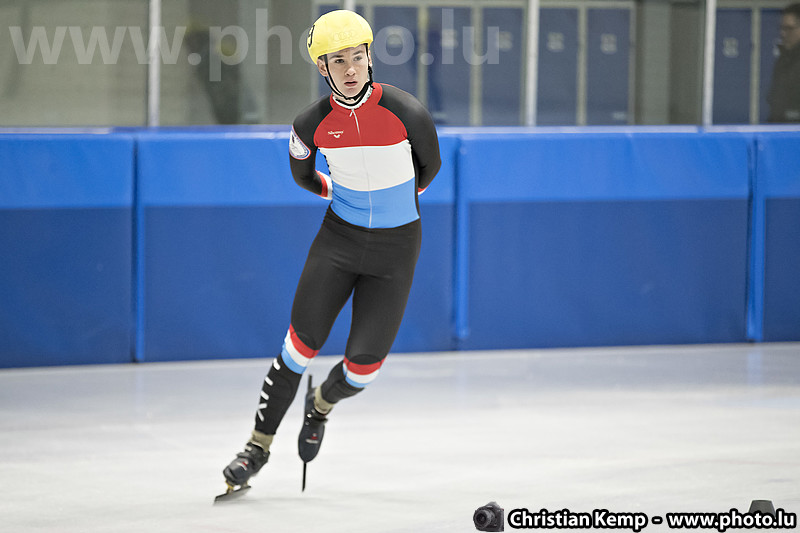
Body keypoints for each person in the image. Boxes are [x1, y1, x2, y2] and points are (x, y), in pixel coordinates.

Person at [219, 9, 441, 495]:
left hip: (396, 249)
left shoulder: (408, 112)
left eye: (357, 57)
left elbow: (430, 169)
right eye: (338, 60)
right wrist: (342, 196)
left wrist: (391, 206)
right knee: (298, 347)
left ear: (370, 57)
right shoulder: (310, 123)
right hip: (339, 240)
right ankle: (256, 448)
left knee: (363, 369)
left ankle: (320, 404)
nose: (350, 68)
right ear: (322, 67)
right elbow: (303, 176)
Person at [767, 3, 800, 122]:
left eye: (789, 28)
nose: (783, 34)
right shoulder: (784, 60)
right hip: (782, 127)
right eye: (782, 28)